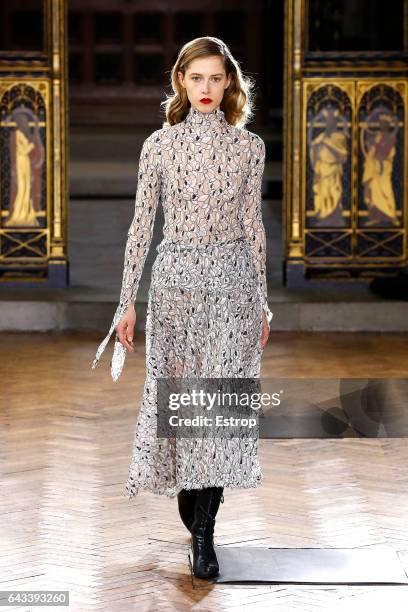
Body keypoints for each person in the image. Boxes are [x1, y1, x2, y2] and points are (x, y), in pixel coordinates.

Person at [91, 36, 273, 580]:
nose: (207, 89)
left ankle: (205, 536)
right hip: (175, 290)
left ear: (230, 83)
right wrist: (126, 303)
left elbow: (253, 227)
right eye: (197, 78)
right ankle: (194, 514)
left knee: (218, 412)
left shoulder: (249, 148)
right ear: (181, 82)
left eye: (217, 78)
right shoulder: (159, 146)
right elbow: (141, 228)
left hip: (233, 286)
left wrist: (262, 303)